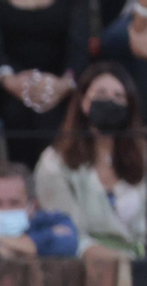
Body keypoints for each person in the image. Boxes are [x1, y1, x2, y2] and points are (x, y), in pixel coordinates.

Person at [35, 63, 147, 262]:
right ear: (83, 103)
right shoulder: (55, 162)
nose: (110, 102)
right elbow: (67, 233)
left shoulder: (143, 156)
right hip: (81, 269)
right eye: (101, 94)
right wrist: (120, 262)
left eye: (119, 97)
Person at [0, 0, 86, 170]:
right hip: (7, 86)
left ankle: (52, 179)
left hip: (61, 87)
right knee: (15, 112)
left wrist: (62, 85)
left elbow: (79, 49)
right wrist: (11, 81)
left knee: (49, 111)